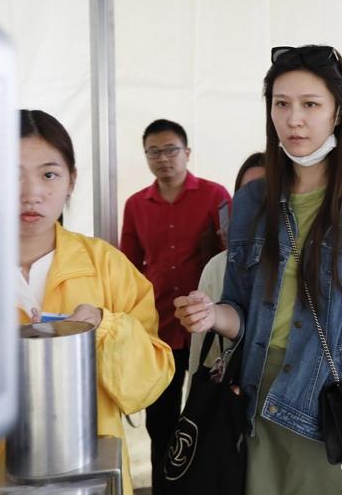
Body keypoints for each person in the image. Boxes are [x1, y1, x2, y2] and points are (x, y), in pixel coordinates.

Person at [174, 45, 342, 495]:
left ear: (338, 112)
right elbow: (242, 312)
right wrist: (211, 314)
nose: (294, 119)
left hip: (336, 407)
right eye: (282, 104)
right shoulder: (252, 201)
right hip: (259, 399)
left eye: (310, 105)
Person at [0, 109, 175, 494]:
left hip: (93, 480)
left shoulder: (106, 266)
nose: (31, 193)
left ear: (72, 181)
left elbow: (147, 385)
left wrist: (105, 326)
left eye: (49, 174)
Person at [119, 118, 230, 475]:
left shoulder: (215, 195)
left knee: (206, 416)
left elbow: (234, 255)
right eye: (154, 152)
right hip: (159, 329)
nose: (163, 158)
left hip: (206, 327)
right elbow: (128, 268)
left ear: (187, 152)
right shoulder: (136, 205)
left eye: (170, 150)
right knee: (161, 423)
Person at [188, 152, 265, 374]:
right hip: (232, 388)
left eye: (266, 189)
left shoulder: (310, 262)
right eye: (247, 191)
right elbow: (202, 352)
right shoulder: (219, 266)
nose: (256, 199)